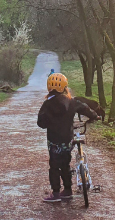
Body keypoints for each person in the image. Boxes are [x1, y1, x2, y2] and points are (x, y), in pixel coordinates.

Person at [37, 72, 99, 203]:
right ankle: (67, 190)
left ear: (49, 87)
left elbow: (40, 123)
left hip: (54, 141)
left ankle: (55, 193)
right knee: (65, 163)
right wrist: (95, 116)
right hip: (67, 139)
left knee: (54, 165)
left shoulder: (47, 104)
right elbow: (85, 109)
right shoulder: (72, 102)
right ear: (65, 87)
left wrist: (50, 122)